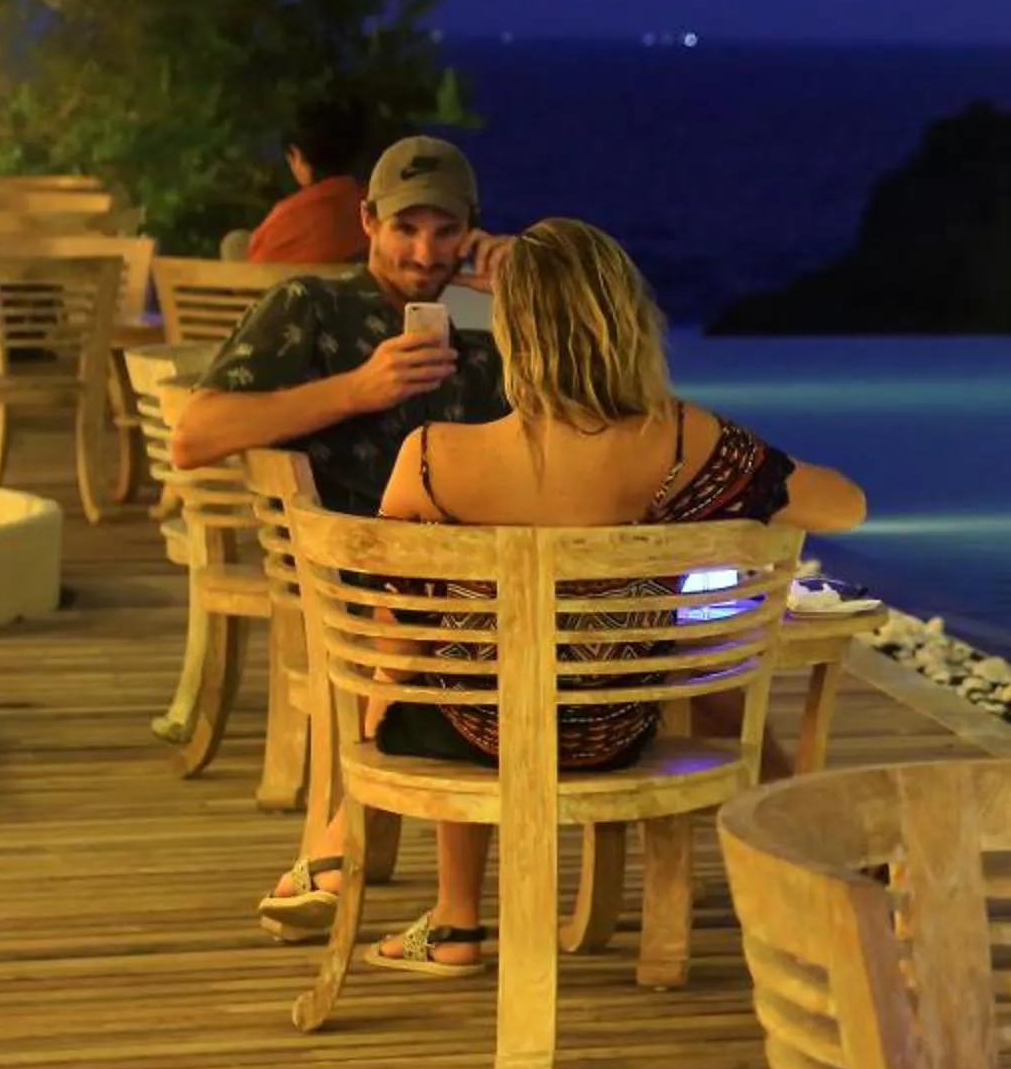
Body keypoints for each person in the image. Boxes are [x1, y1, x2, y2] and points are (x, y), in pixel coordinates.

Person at [254, 216, 867, 974]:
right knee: (661, 668)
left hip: (472, 733)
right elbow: (845, 506)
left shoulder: (434, 456)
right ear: (627, 322)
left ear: (511, 331)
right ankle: (829, 864)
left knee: (445, 663)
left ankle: (435, 907)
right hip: (614, 729)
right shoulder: (688, 441)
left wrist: (373, 730)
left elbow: (402, 638)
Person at [168, 135, 512, 515]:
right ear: (368, 220)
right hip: (344, 548)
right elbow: (192, 437)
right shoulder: (311, 306)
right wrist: (355, 390)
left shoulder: (480, 353)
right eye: (405, 229)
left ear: (471, 233)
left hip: (471, 548)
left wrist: (526, 293)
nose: (425, 256)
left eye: (445, 232)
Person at [238, 98, 377, 266]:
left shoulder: (285, 220)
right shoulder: (379, 205)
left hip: (279, 280)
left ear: (297, 154)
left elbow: (255, 266)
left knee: (235, 243)